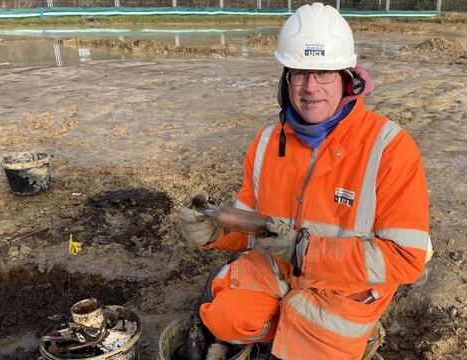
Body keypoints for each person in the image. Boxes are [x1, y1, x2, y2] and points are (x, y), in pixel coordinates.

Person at [179, 3, 432, 359]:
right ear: (287, 79)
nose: (310, 87)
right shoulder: (267, 142)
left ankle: (353, 338)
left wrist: (304, 250)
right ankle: (267, 322)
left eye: (323, 73)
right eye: (300, 73)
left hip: (341, 289)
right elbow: (251, 225)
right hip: (275, 270)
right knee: (225, 319)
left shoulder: (389, 148)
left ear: (348, 78)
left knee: (305, 346)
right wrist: (215, 232)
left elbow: (406, 258)